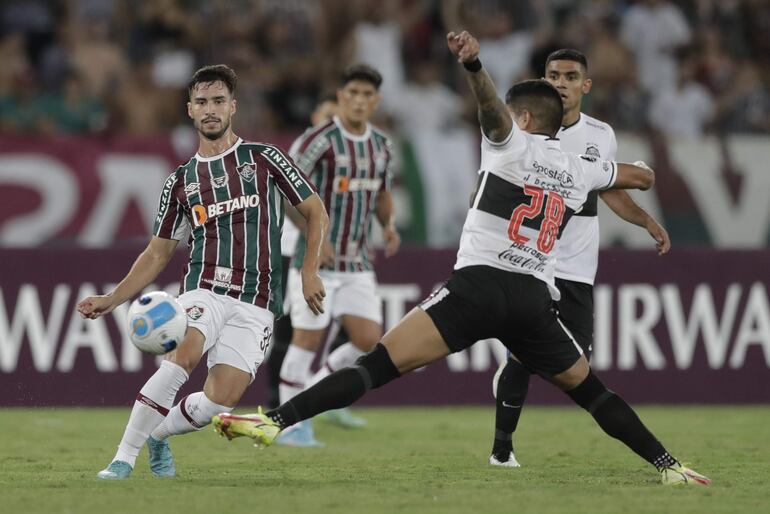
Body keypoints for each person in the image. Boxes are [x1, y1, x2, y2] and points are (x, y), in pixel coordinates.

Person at [213, 32, 710, 486]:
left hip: (475, 289)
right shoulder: (582, 169)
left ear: (525, 119)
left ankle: (274, 421)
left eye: (513, 112)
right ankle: (671, 466)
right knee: (591, 390)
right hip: (533, 300)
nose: (502, 118)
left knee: (376, 366)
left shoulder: (510, 144)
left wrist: (474, 66)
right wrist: (634, 172)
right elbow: (639, 177)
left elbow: (491, 108)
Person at [76, 64, 328, 480]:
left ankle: (157, 436)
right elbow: (157, 254)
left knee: (219, 401)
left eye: (218, 101)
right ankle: (122, 458)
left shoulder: (264, 159)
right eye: (201, 102)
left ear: (233, 106)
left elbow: (315, 211)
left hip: (257, 302)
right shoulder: (181, 181)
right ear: (189, 110)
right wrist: (111, 299)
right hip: (203, 289)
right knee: (181, 358)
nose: (210, 109)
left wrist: (309, 269)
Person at [488, 49, 672, 468]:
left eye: (571, 76)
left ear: (585, 86)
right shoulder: (525, 129)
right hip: (532, 260)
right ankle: (502, 450)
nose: (561, 83)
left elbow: (608, 188)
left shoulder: (600, 135)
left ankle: (514, 373)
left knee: (573, 362)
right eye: (553, 75)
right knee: (523, 354)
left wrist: (646, 221)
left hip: (576, 265)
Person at [274, 64, 401, 446]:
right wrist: (314, 235)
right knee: (307, 341)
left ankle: (315, 394)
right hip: (315, 262)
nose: (360, 101)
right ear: (342, 97)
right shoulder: (319, 140)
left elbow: (381, 192)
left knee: (369, 341)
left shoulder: (382, 144)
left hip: (357, 261)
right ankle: (290, 426)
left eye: (367, 95)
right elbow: (285, 191)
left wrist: (389, 225)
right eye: (353, 94)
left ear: (375, 101)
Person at [265, 91, 339, 409]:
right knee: (285, 331)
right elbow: (289, 200)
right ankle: (275, 404)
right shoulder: (302, 150)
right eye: (327, 118)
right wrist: (317, 239)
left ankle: (310, 398)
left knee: (319, 329)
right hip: (288, 249)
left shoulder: (341, 156)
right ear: (314, 119)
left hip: (315, 252)